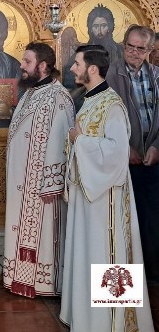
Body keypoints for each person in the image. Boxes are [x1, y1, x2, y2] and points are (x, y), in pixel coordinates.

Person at [60, 44, 153, 331]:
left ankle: (112, 324)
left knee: (107, 257)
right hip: (87, 196)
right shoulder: (90, 100)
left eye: (77, 64)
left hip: (106, 201)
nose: (72, 68)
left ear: (92, 69)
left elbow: (116, 152)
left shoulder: (112, 105)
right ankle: (87, 319)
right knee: (88, 255)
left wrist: (79, 140)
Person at [2, 42, 74, 298]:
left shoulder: (59, 97)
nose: (22, 66)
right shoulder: (30, 93)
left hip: (42, 187)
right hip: (22, 182)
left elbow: (63, 142)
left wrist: (52, 184)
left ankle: (41, 283)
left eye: (27, 61)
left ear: (43, 66)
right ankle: (19, 277)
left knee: (43, 236)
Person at [106, 25, 159, 285]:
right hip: (123, 161)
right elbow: (103, 117)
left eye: (140, 48)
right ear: (123, 45)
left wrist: (157, 146)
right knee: (126, 221)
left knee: (153, 218)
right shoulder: (110, 75)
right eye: (130, 46)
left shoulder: (157, 75)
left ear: (150, 50)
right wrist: (125, 147)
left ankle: (152, 276)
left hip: (154, 159)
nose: (134, 52)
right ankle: (126, 281)